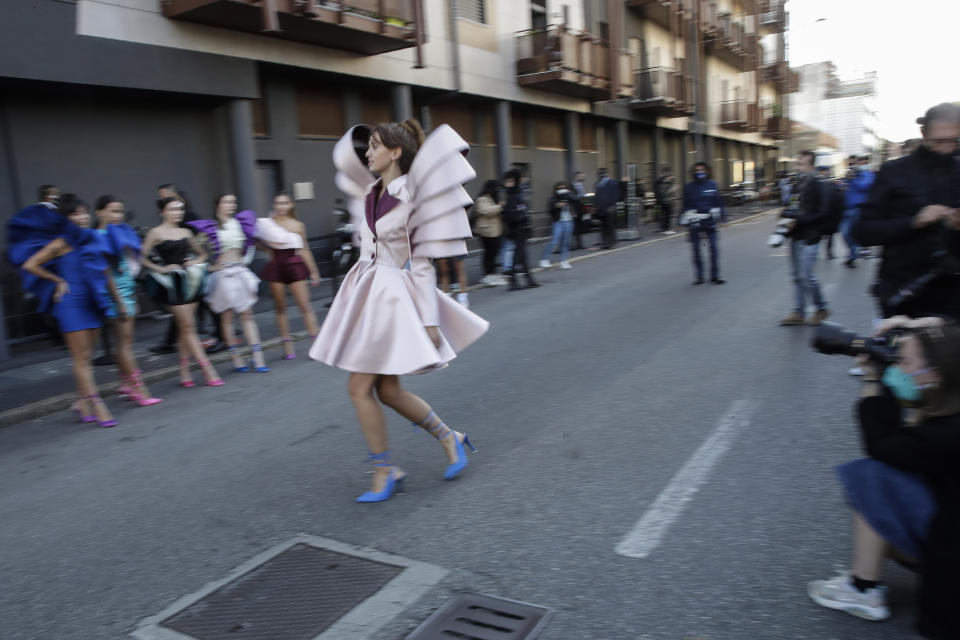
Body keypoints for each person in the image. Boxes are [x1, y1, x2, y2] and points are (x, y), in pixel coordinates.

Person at [309, 119, 489, 503]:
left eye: (375, 146)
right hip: (364, 291)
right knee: (387, 390)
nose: (368, 153)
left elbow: (422, 265)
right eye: (367, 147)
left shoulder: (414, 197)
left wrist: (428, 321)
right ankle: (450, 438)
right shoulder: (369, 192)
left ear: (396, 152)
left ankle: (385, 470)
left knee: (359, 388)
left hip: (389, 298)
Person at [808, 319, 960, 639]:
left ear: (935, 376)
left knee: (873, 477)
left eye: (904, 361)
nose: (897, 365)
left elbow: (882, 447)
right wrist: (930, 327)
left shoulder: (945, 436)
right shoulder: (951, 404)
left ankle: (863, 589)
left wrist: (872, 377)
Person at [15, 195, 121, 427]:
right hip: (70, 302)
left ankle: (80, 403)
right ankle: (96, 404)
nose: (82, 217)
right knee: (81, 358)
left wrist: (117, 300)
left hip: (92, 300)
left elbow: (104, 270)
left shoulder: (92, 238)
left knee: (87, 357)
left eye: (84, 212)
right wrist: (56, 280)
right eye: (75, 213)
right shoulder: (61, 242)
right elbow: (30, 265)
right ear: (64, 218)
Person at [853, 103, 960, 321]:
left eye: (955, 141)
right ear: (923, 134)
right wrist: (914, 222)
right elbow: (863, 232)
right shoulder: (894, 171)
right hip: (902, 292)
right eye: (938, 141)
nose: (946, 148)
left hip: (953, 296)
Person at [141, 196, 224, 387]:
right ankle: (208, 370)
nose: (177, 213)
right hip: (171, 285)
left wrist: (194, 261)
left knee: (186, 329)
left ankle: (185, 373)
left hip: (190, 281)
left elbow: (202, 253)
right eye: (172, 209)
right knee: (188, 328)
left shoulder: (186, 231)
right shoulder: (155, 233)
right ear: (162, 212)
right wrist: (161, 269)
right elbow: (141, 257)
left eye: (179, 209)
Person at [188, 194, 271, 373]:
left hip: (240, 271)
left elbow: (252, 243)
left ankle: (258, 359)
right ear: (217, 205)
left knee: (247, 314)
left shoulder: (239, 223)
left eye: (233, 202)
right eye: (226, 202)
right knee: (227, 318)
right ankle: (237, 360)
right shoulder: (211, 227)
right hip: (223, 274)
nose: (230, 205)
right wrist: (208, 266)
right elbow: (193, 248)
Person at [94, 196, 162, 406]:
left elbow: (131, 264)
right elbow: (105, 274)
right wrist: (121, 301)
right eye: (113, 211)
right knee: (125, 346)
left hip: (125, 291)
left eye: (120, 211)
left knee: (124, 344)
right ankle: (139, 390)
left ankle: (125, 384)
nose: (118, 216)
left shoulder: (117, 233)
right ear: (99, 213)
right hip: (116, 294)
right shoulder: (99, 236)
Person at [150, 183, 225, 355]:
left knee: (205, 301)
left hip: (191, 266)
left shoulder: (187, 213)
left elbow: (204, 231)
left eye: (162, 194)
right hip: (179, 270)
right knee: (182, 305)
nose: (159, 198)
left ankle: (221, 337)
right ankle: (171, 342)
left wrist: (191, 251)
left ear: (173, 194)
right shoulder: (168, 214)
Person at [256, 192, 321, 360]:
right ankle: (287, 343)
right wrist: (266, 246)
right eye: (278, 203)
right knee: (280, 307)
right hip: (275, 266)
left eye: (284, 203)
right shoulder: (268, 224)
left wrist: (313, 271)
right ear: (274, 205)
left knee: (304, 305)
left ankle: (316, 344)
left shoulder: (298, 225)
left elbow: (304, 249)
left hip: (295, 266)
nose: (281, 206)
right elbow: (257, 243)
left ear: (291, 204)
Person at [779, 150, 831, 326]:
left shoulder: (819, 184)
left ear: (811, 166)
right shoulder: (797, 183)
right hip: (796, 236)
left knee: (806, 276)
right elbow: (792, 206)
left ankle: (821, 308)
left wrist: (798, 219)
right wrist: (785, 214)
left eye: (800, 164)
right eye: (797, 163)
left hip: (811, 237)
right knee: (797, 276)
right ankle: (799, 312)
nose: (797, 167)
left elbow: (823, 212)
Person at [680, 162, 726, 285]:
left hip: (709, 221)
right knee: (696, 250)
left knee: (714, 248)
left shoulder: (713, 184)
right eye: (697, 170)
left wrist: (723, 219)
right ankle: (699, 276)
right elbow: (684, 205)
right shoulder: (688, 187)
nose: (699, 172)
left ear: (707, 171)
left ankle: (715, 276)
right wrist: (681, 220)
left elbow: (719, 202)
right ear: (693, 172)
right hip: (694, 221)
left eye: (702, 170)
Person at [501, 169, 540, 291]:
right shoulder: (513, 195)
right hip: (517, 229)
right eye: (508, 181)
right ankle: (513, 280)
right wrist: (522, 215)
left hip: (519, 229)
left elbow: (520, 210)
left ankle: (528, 280)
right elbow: (513, 214)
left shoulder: (515, 194)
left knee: (523, 256)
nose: (508, 183)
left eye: (511, 181)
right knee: (519, 256)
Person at [842, 156, 876, 268]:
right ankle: (854, 252)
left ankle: (853, 255)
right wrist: (847, 180)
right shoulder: (851, 175)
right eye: (850, 164)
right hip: (847, 209)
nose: (853, 166)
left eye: (863, 162)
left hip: (858, 209)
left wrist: (854, 179)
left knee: (851, 233)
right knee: (845, 233)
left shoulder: (869, 175)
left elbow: (864, 186)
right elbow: (845, 189)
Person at [473, 179, 505, 286]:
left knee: (494, 253)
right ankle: (487, 275)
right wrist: (499, 206)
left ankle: (492, 274)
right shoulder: (481, 199)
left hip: (495, 231)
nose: (497, 190)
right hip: (486, 232)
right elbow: (486, 211)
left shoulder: (492, 198)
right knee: (488, 253)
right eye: (496, 188)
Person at [539, 181, 576, 270]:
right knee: (554, 241)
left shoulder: (569, 196)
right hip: (558, 222)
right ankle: (544, 259)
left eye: (564, 188)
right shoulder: (552, 198)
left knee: (566, 242)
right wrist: (557, 205)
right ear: (556, 189)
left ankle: (564, 261)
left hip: (569, 221)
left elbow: (576, 199)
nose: (562, 190)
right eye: (560, 188)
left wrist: (569, 193)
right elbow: (550, 209)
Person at [594, 168, 619, 249]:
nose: (601, 175)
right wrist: (596, 206)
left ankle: (610, 243)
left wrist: (612, 205)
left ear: (607, 173)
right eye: (600, 173)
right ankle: (605, 242)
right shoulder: (598, 183)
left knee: (609, 226)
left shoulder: (612, 182)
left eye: (603, 173)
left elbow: (615, 195)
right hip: (601, 208)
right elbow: (596, 196)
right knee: (603, 226)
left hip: (609, 208)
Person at [655, 166, 677, 235]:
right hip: (665, 200)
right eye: (668, 173)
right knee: (666, 214)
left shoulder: (664, 180)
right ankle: (665, 228)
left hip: (665, 200)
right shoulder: (662, 181)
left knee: (665, 214)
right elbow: (664, 191)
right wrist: (671, 189)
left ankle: (664, 228)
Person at [570, 171, 587, 250]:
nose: (583, 177)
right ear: (576, 177)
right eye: (581, 176)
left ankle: (579, 244)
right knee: (573, 227)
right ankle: (572, 245)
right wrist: (572, 211)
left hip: (580, 208)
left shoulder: (581, 185)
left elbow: (583, 197)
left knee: (579, 227)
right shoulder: (572, 186)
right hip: (574, 208)